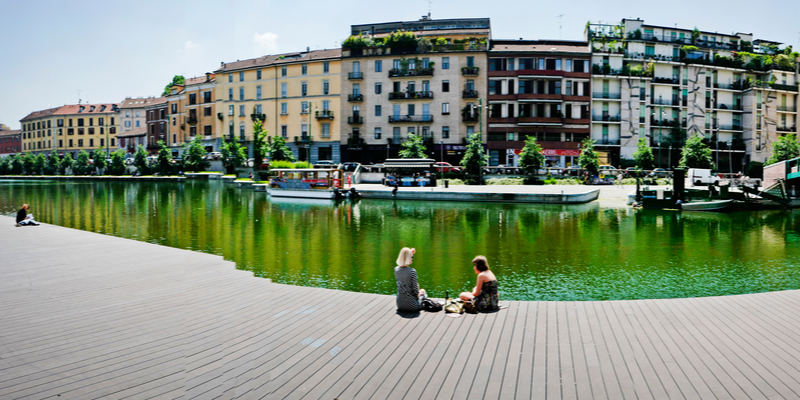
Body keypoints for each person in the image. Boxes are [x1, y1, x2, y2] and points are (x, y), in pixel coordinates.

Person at [394, 247, 426, 312]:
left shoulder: (396, 269)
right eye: (411, 257)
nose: (412, 258)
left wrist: (410, 252)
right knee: (423, 292)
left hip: (400, 304)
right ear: (408, 258)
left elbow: (404, 255)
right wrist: (420, 292)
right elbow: (416, 292)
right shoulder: (412, 271)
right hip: (412, 306)